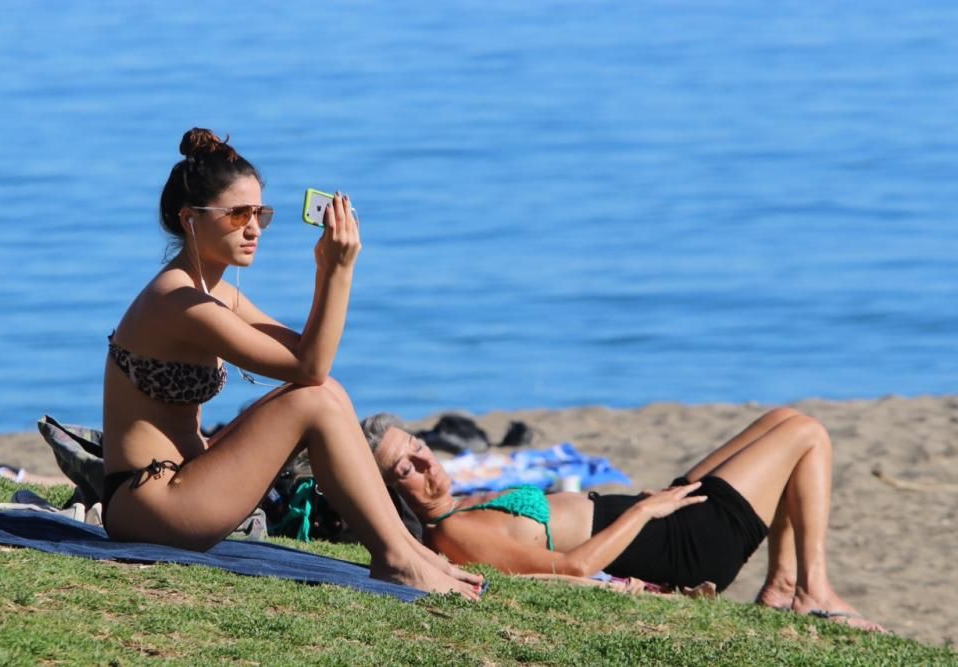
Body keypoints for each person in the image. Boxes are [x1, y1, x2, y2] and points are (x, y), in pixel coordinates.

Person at [101, 128, 481, 598]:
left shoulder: (213, 292)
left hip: (181, 490)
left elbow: (307, 359)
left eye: (261, 213)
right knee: (317, 397)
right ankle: (397, 558)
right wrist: (335, 271)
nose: (254, 227)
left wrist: (332, 270)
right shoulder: (176, 302)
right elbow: (309, 367)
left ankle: (406, 547)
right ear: (190, 219)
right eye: (239, 214)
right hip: (150, 507)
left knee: (328, 395)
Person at [362, 408, 885, 631]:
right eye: (405, 468)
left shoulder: (459, 508)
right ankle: (810, 590)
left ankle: (781, 584)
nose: (426, 463)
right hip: (681, 544)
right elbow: (571, 567)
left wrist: (646, 504)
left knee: (781, 420)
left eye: (419, 447)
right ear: (391, 493)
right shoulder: (452, 531)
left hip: (659, 518)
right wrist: (643, 509)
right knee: (808, 434)